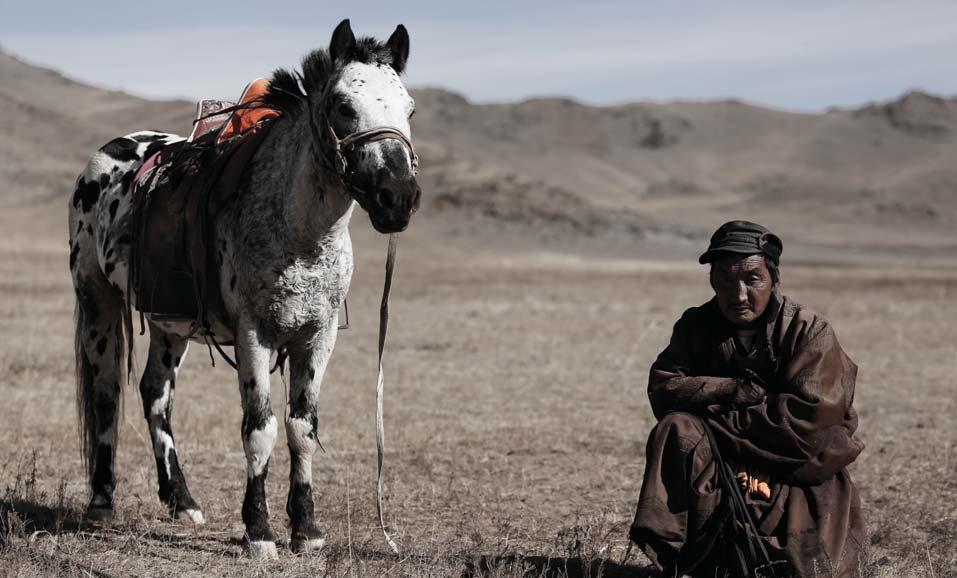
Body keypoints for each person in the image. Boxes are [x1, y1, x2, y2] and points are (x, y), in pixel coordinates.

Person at [629, 221, 866, 578]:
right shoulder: (696, 326)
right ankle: (692, 560)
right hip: (722, 465)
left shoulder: (808, 331)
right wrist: (731, 390)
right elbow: (664, 387)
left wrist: (714, 415)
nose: (738, 294)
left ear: (774, 279)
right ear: (712, 282)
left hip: (794, 470)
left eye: (752, 279)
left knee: (809, 569)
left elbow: (808, 425)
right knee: (676, 429)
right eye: (724, 278)